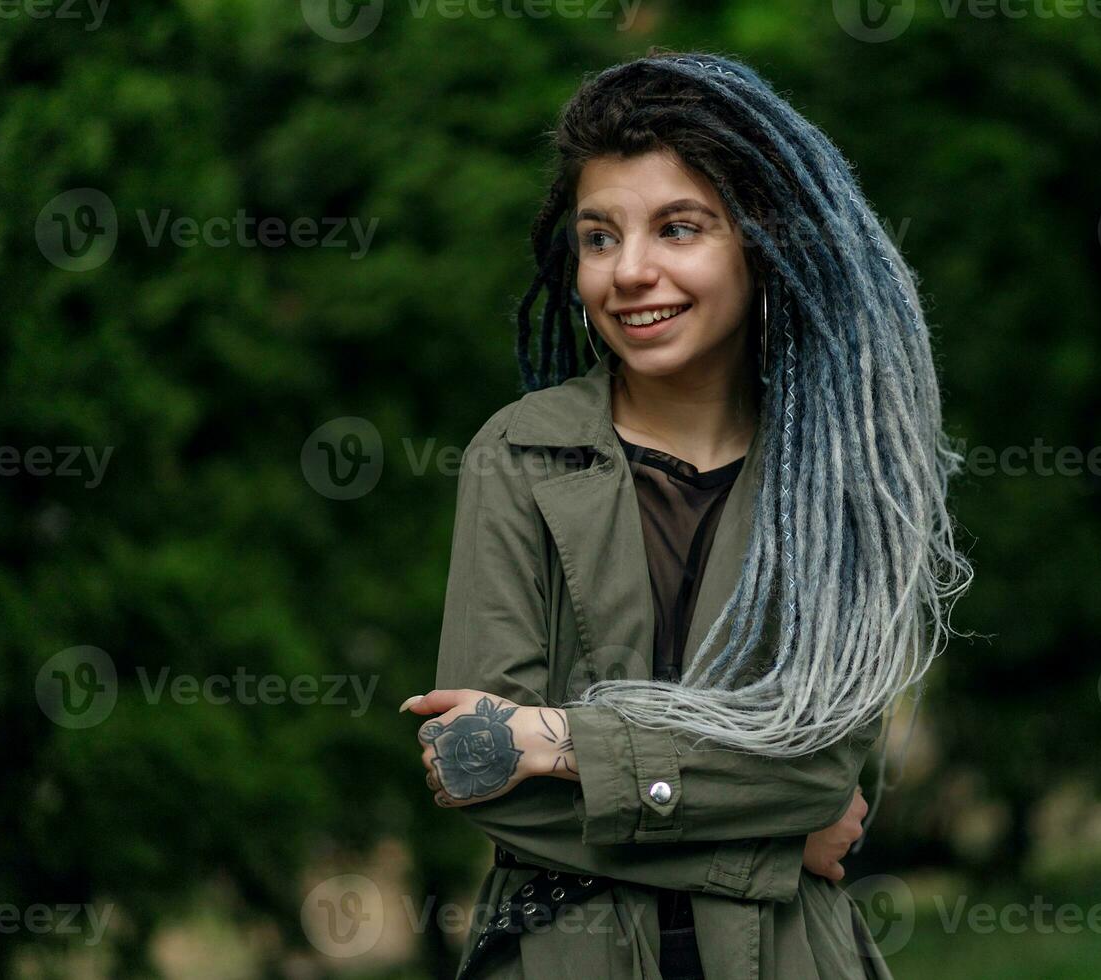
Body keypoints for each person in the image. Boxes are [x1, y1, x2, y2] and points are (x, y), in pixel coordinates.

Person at [402, 48, 972, 980]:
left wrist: (551, 742)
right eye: (599, 237)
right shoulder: (516, 455)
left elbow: (820, 774)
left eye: (677, 229)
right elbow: (476, 775)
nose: (630, 272)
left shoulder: (843, 472)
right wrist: (768, 850)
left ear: (761, 239)